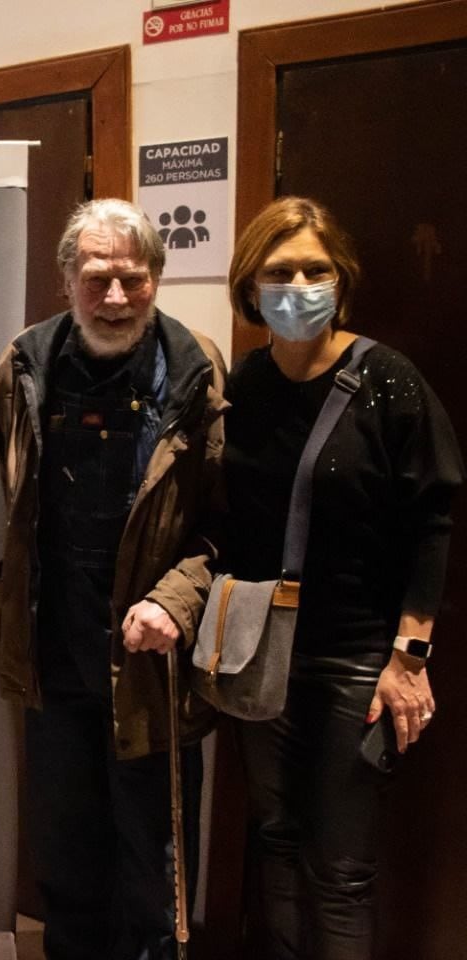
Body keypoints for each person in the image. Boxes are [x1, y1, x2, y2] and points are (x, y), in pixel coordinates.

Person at [0, 198, 226, 960]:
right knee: (66, 860)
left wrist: (173, 601)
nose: (116, 298)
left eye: (134, 278)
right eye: (97, 278)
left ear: (156, 277)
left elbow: (228, 527)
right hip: (53, 662)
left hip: (152, 667)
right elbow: (18, 499)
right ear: (65, 279)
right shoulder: (23, 365)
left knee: (153, 865)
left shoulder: (196, 370)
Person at [223, 196, 462, 959]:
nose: (298, 286)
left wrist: (409, 657)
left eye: (314, 270)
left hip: (357, 659)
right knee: (279, 842)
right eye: (279, 271)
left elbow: (434, 521)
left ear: (342, 280)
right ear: (250, 286)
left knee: (342, 867)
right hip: (262, 653)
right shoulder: (246, 386)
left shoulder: (388, 382)